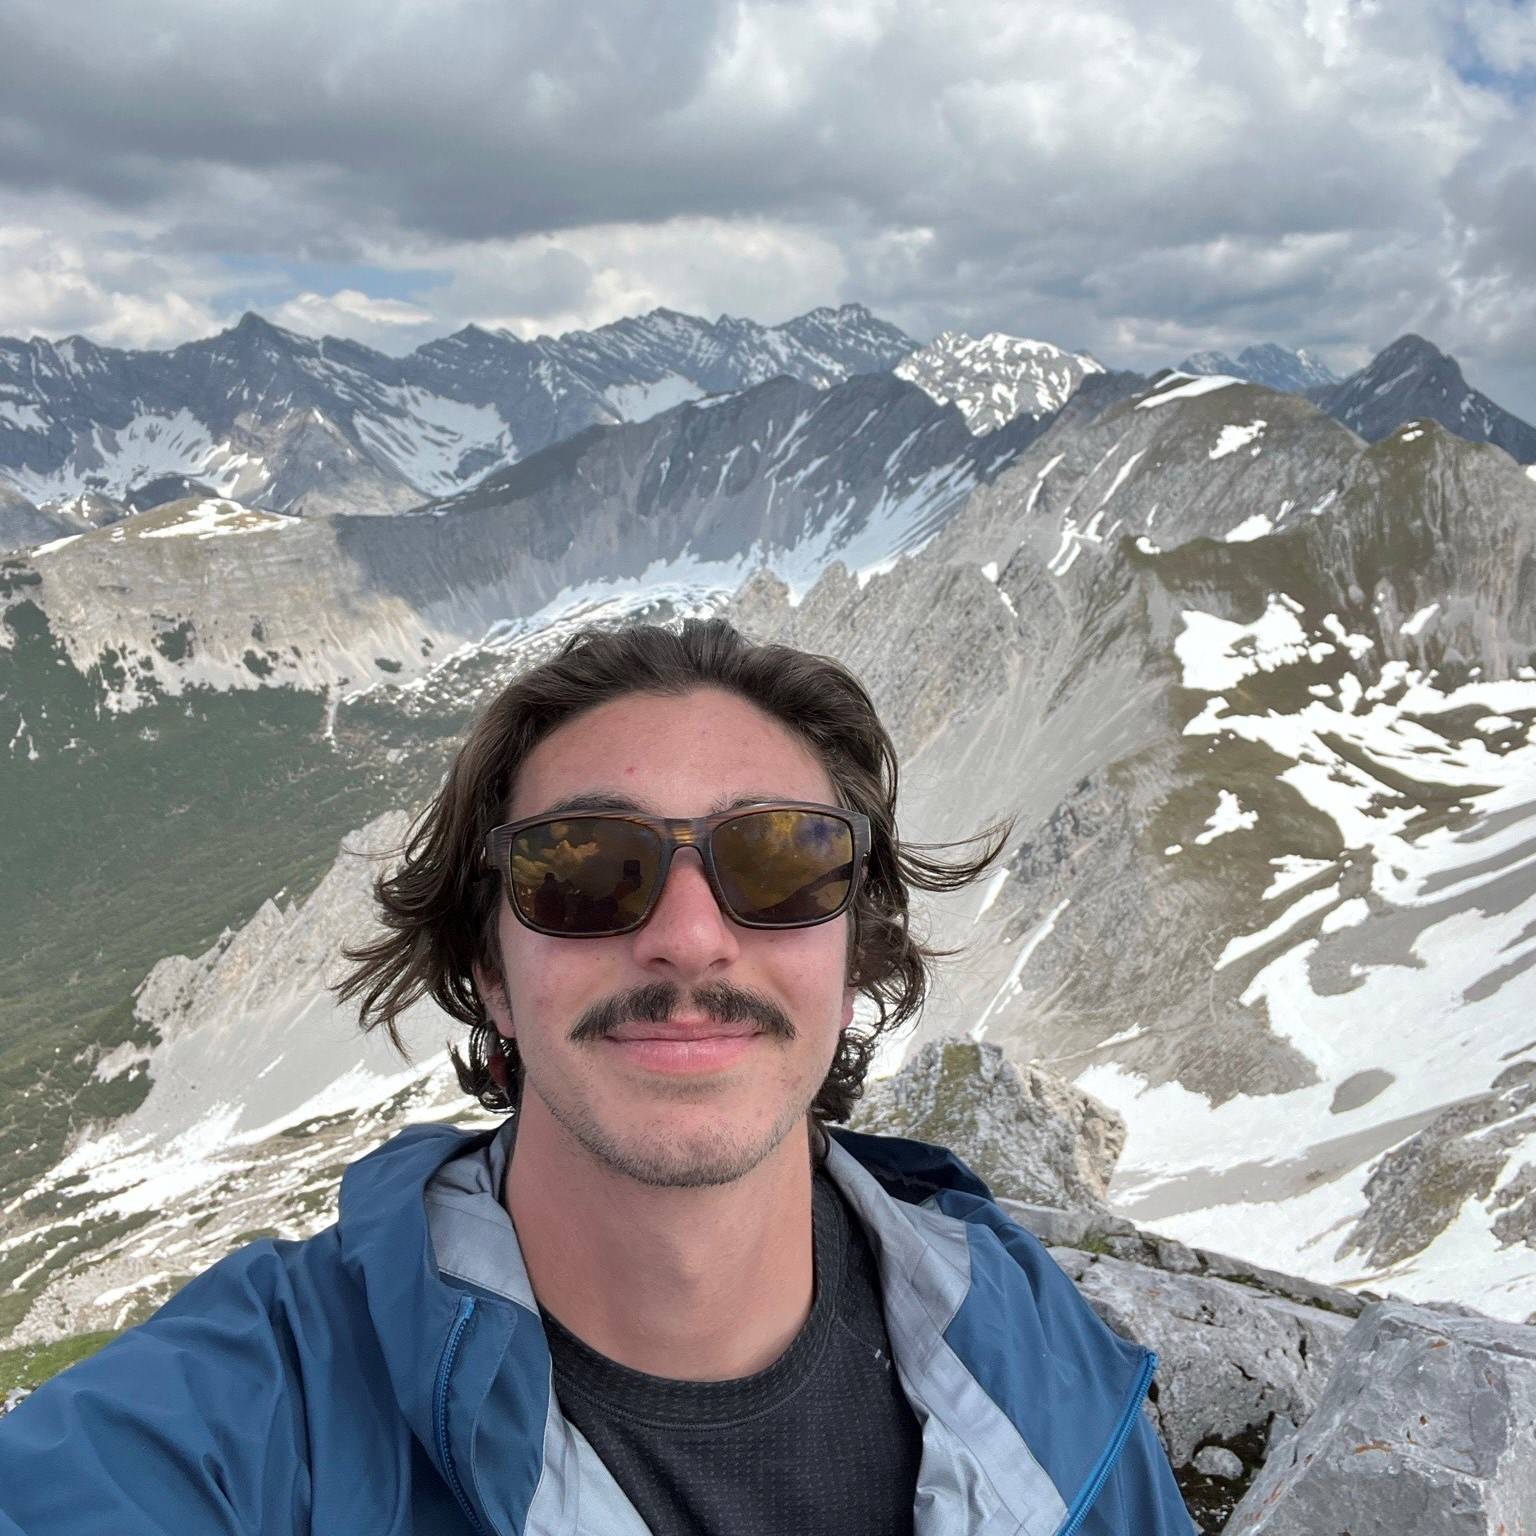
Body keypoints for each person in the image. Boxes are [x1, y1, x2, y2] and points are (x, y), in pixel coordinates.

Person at [0, 617, 1193, 1535]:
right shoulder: (248, 1413)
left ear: (851, 946)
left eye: (780, 863)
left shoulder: (1033, 1351)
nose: (687, 936)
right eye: (583, 870)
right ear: (493, 973)